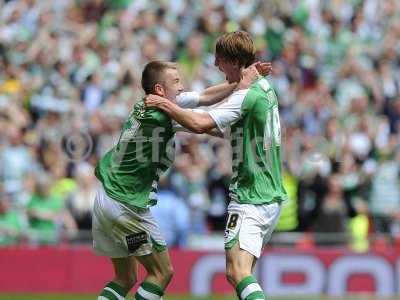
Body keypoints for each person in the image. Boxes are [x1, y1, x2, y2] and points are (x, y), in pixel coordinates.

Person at [93, 59, 271, 300]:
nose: (181, 85)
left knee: (125, 278)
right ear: (159, 90)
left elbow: (205, 96)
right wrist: (246, 89)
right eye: (175, 81)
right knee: (162, 272)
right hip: (125, 210)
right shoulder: (162, 115)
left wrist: (238, 82)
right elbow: (205, 122)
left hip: (105, 202)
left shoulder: (158, 104)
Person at [145, 31, 287, 300]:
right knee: (243, 274)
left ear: (234, 61)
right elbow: (225, 126)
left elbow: (202, 122)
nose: (215, 65)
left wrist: (166, 107)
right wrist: (177, 121)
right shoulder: (264, 89)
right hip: (269, 196)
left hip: (251, 195)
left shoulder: (247, 96)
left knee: (236, 272)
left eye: (219, 59)